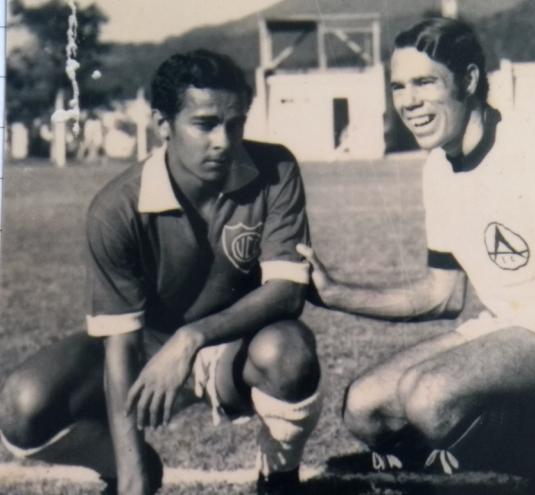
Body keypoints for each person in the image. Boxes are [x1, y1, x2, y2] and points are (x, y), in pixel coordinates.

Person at [297, 17, 535, 494]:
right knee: (367, 407)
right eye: (399, 86)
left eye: (426, 82)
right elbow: (440, 294)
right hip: (518, 324)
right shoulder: (439, 166)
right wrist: (336, 293)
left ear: (468, 80)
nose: (409, 101)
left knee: (429, 398)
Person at [0, 49, 322, 495]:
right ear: (162, 124)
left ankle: (279, 479)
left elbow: (287, 293)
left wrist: (190, 339)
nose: (224, 141)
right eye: (206, 124)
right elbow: (121, 347)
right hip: (146, 353)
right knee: (23, 405)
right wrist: (133, 479)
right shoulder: (116, 209)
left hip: (233, 348)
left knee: (288, 350)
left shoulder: (275, 169)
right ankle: (128, 469)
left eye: (235, 123)